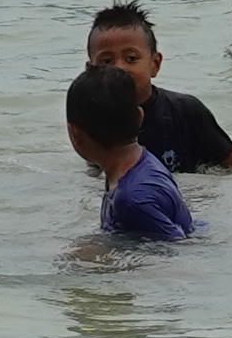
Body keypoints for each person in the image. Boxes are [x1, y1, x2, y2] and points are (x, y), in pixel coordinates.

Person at [85, 2, 232, 173]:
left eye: (131, 58)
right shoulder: (92, 120)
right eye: (106, 61)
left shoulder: (187, 112)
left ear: (155, 64)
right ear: (90, 70)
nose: (120, 68)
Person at [67, 62, 198, 244]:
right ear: (140, 117)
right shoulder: (139, 164)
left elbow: (178, 248)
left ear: (75, 134)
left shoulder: (131, 200)